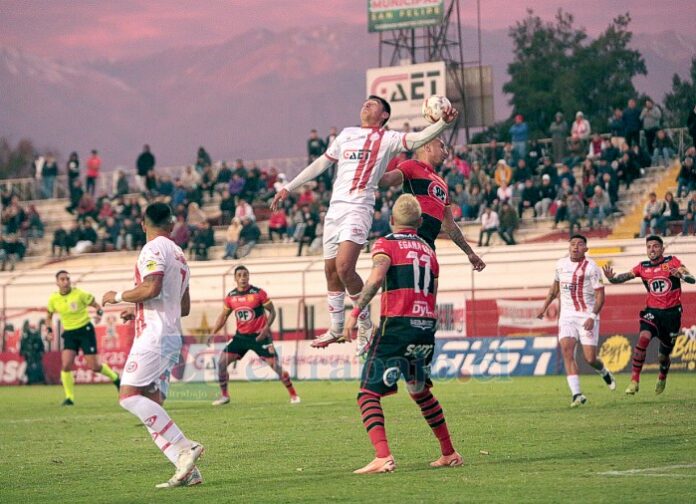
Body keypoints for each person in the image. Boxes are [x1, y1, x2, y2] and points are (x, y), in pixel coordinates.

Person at [271, 95, 458, 349]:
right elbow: (321, 163)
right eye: (365, 102)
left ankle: (365, 322)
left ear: (384, 116)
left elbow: (416, 139)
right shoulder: (346, 134)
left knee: (345, 266)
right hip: (335, 208)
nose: (366, 104)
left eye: (373, 103)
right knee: (331, 271)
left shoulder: (388, 138)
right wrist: (289, 187)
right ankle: (336, 328)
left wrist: (442, 125)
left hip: (359, 206)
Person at [343, 194, 462, 474]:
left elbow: (375, 278)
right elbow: (432, 292)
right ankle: (449, 452)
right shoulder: (429, 251)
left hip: (397, 327)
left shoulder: (385, 244)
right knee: (419, 391)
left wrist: (355, 312)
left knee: (367, 393)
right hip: (424, 329)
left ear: (392, 220)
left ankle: (382, 456)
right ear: (420, 222)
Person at [102, 202, 204, 488]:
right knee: (151, 405)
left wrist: (118, 296)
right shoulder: (181, 255)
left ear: (142, 224)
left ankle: (185, 447)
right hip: (171, 334)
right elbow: (182, 307)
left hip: (154, 335)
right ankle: (187, 470)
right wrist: (137, 306)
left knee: (128, 396)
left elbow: (151, 287)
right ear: (172, 225)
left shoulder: (152, 249)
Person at [602, 235, 695, 395]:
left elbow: (691, 279)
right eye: (649, 246)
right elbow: (621, 278)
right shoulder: (642, 267)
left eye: (655, 246)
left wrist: (681, 275)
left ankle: (662, 375)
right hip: (652, 312)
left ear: (662, 248)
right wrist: (611, 278)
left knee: (663, 356)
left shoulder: (672, 262)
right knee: (643, 338)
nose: (652, 249)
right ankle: (634, 381)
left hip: (672, 315)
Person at [536, 235, 615, 407]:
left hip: (587, 315)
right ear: (568, 247)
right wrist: (544, 307)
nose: (575, 247)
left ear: (586, 249)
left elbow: (600, 296)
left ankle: (603, 370)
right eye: (572, 244)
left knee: (590, 358)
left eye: (580, 244)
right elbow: (554, 288)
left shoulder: (592, 268)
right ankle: (577, 394)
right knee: (566, 350)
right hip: (567, 316)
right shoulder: (561, 265)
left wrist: (593, 317)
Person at [208, 265, 299, 406]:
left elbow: (272, 312)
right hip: (241, 337)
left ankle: (293, 395)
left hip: (259, 337)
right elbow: (223, 316)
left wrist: (265, 329)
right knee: (221, 363)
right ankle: (224, 396)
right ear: (235, 278)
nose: (243, 278)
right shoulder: (231, 297)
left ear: (249, 277)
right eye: (239, 275)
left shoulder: (258, 293)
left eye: (245, 275)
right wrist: (213, 332)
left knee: (275, 366)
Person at [47, 270, 120, 405]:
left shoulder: (80, 294)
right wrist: (49, 330)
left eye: (67, 279)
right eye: (62, 279)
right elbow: (49, 315)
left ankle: (116, 378)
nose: (65, 281)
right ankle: (69, 398)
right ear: (57, 282)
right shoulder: (53, 299)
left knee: (94, 366)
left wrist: (98, 314)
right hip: (69, 333)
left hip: (85, 330)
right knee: (66, 365)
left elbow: (97, 306)